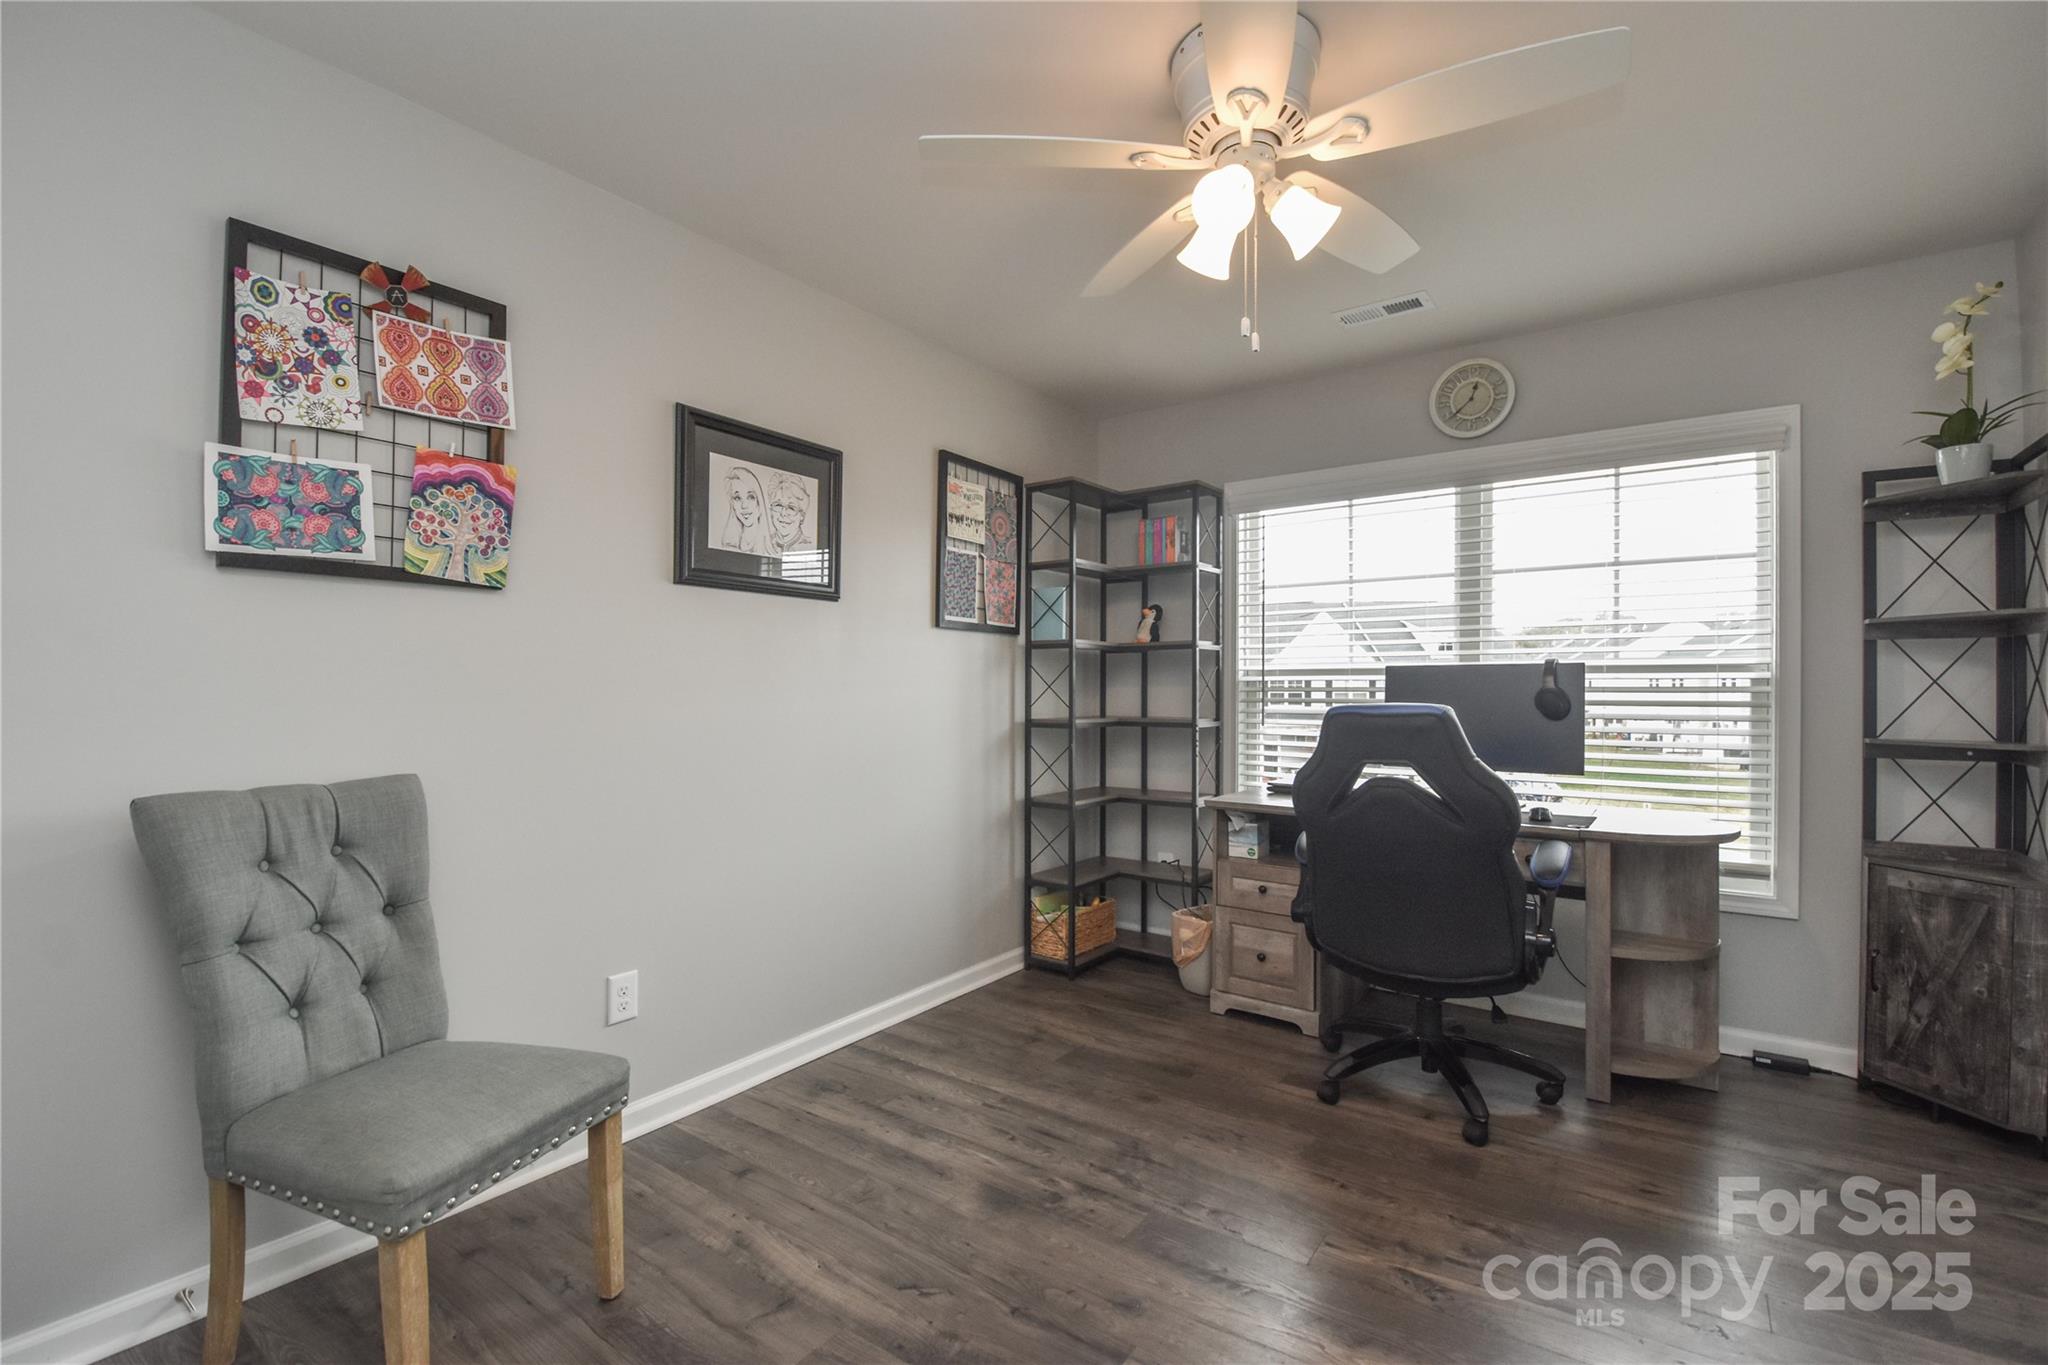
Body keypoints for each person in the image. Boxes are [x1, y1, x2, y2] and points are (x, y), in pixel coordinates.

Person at [721, 464, 771, 554]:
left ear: (759, 501)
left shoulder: (771, 549)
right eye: (737, 498)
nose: (744, 506)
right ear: (732, 504)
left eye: (750, 497)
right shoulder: (728, 546)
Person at [767, 473, 814, 555]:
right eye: (778, 505)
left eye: (791, 508)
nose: (783, 513)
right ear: (771, 511)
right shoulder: (764, 543)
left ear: (802, 516)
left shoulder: (810, 547)